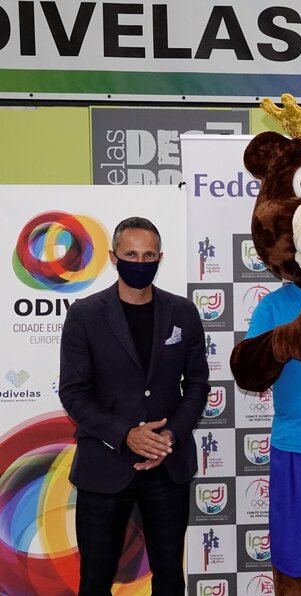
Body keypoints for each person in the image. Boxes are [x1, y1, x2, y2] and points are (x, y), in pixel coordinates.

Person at [59, 216, 210, 595]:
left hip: (168, 467)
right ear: (113, 257)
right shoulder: (85, 315)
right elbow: (74, 392)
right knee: (95, 580)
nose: (140, 263)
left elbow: (197, 384)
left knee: (170, 579)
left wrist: (168, 437)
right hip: (104, 467)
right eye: (130, 254)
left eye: (148, 256)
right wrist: (126, 435)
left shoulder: (183, 312)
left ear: (160, 258)